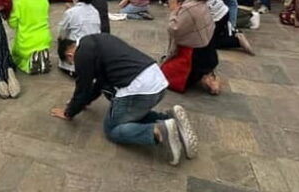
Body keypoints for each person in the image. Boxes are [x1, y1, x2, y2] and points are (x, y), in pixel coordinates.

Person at [51, 34, 200, 166]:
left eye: (72, 64)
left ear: (70, 55)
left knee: (112, 129)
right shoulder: (97, 40)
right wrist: (84, 102)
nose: (74, 65)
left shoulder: (82, 54)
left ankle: (158, 130)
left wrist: (68, 113)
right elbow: (99, 84)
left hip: (138, 89)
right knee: (130, 113)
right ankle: (169, 119)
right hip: (158, 81)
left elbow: (82, 88)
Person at [161, 0, 219, 94]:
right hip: (207, 52)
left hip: (192, 56)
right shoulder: (203, 4)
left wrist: (173, 11)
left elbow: (174, 29)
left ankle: (205, 79)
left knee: (161, 76)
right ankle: (207, 76)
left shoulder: (189, 8)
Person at [8, 0, 52, 74]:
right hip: (44, 40)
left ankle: (29, 63)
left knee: (15, 57)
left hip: (26, 42)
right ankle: (40, 57)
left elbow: (13, 24)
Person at [57, 0, 102, 74]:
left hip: (77, 49)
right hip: (95, 47)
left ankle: (69, 65)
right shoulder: (95, 11)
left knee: (63, 39)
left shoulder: (70, 12)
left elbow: (62, 31)